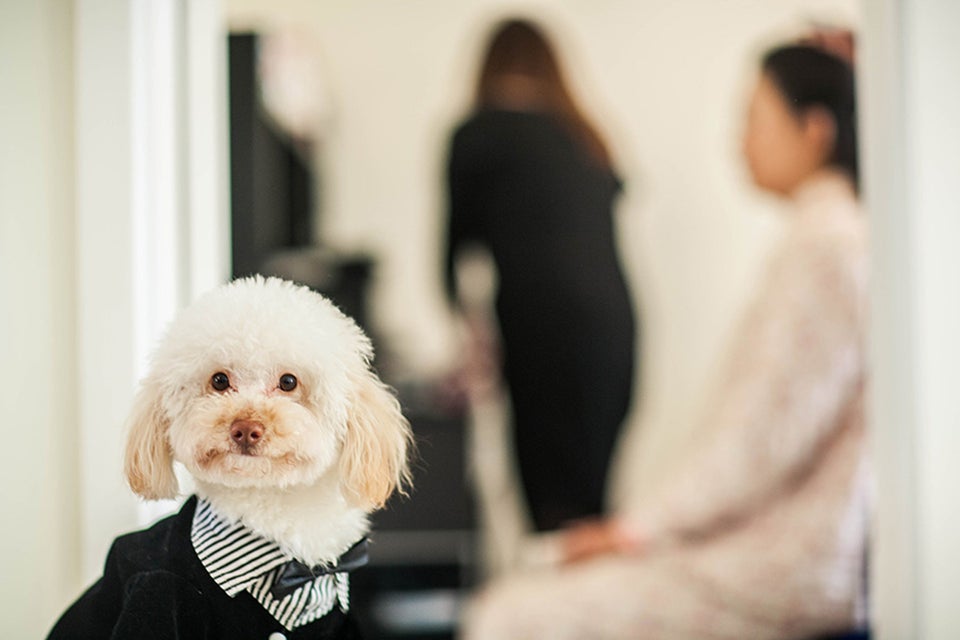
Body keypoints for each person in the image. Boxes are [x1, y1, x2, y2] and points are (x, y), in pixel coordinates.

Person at [461, 34, 870, 640]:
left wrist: (635, 532)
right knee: (550, 559)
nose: (740, 140)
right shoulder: (833, 235)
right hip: (619, 364)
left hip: (796, 566)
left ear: (815, 130)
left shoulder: (825, 246)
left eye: (753, 119)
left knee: (505, 614)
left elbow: (755, 447)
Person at [444, 18, 637, 533]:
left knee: (549, 504)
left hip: (541, 330)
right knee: (592, 500)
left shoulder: (475, 135)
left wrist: (469, 339)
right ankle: (592, 606)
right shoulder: (586, 136)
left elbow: (451, 256)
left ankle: (561, 610)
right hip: (615, 329)